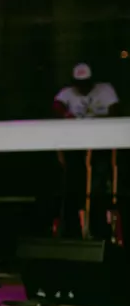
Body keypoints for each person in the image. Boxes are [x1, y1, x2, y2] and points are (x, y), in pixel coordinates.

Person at [52, 63, 119, 239]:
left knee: (98, 185)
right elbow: (57, 105)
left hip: (101, 145)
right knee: (74, 183)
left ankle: (99, 230)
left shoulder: (105, 90)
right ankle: (73, 230)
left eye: (86, 83)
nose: (83, 88)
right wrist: (65, 114)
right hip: (76, 147)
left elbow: (114, 110)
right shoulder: (68, 92)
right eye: (79, 84)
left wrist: (98, 121)